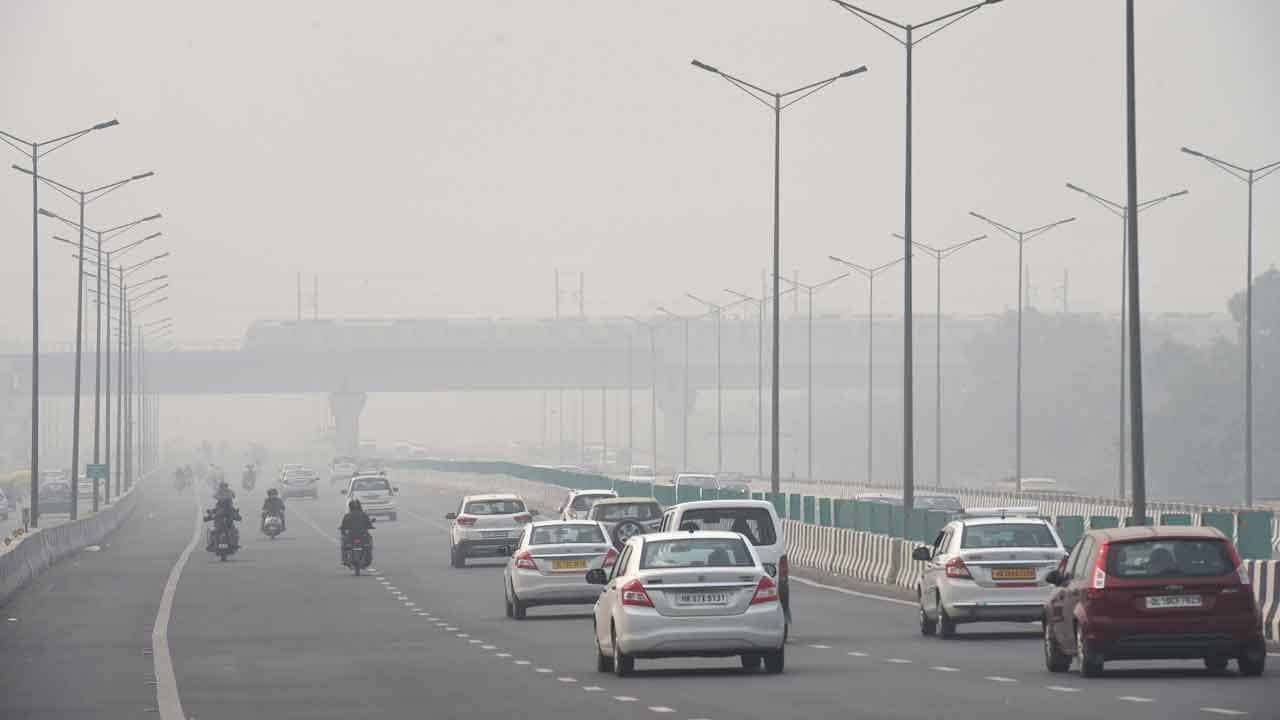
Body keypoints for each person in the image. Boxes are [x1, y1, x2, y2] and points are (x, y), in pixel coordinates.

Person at [339, 498, 374, 564]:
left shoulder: (347, 515)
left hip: (351, 535)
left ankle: (344, 558)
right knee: (369, 543)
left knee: (344, 544)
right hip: (362, 535)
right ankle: (368, 557)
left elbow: (343, 526)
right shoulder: (364, 515)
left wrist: (343, 531)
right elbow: (369, 525)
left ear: (350, 507)